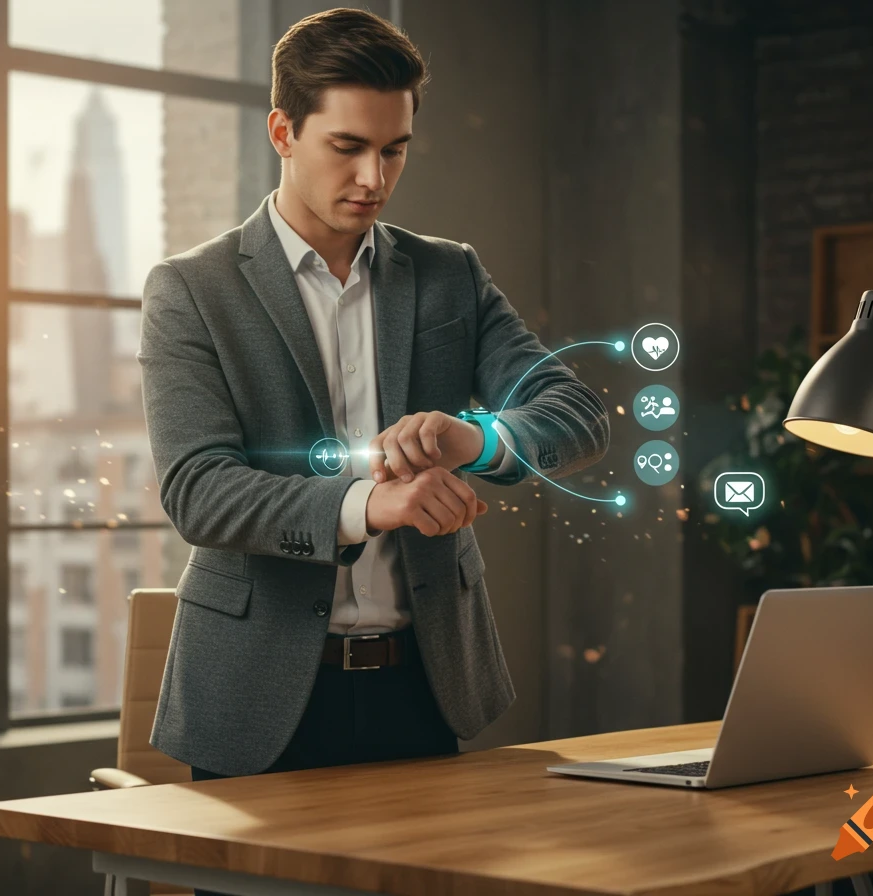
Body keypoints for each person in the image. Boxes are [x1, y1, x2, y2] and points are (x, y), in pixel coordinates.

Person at [137, 13, 609, 890]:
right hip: (259, 705)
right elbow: (199, 490)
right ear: (283, 130)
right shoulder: (191, 291)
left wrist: (481, 438)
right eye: (348, 146)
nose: (373, 177)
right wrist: (368, 506)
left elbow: (576, 412)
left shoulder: (448, 274)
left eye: (395, 151)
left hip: (423, 688)